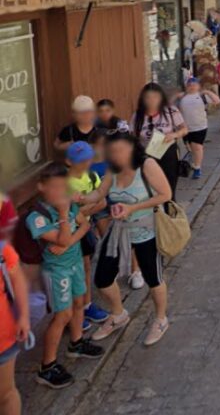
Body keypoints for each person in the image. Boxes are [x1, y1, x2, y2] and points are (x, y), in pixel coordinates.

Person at [86, 133, 171, 346]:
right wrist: (82, 198)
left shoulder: (147, 165)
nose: (117, 155)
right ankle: (118, 314)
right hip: (119, 231)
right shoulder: (111, 169)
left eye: (122, 150)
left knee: (154, 279)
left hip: (146, 231)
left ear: (133, 149)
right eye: (113, 151)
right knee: (103, 279)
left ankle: (161, 319)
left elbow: (165, 194)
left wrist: (132, 207)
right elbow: (100, 193)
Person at [27, 165, 104, 388]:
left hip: (75, 263)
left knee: (79, 301)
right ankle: (47, 366)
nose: (62, 192)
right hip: (56, 271)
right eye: (56, 188)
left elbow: (85, 224)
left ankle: (76, 343)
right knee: (63, 314)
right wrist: (63, 216)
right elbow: (59, 239)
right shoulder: (37, 217)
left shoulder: (70, 206)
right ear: (42, 187)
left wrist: (68, 240)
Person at [64, 142, 110, 326]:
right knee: (72, 273)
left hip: (85, 230)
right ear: (69, 161)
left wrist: (83, 210)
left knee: (86, 267)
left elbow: (103, 202)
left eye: (87, 159)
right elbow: (69, 215)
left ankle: (87, 305)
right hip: (68, 234)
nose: (85, 163)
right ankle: (72, 313)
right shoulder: (64, 183)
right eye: (80, 161)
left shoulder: (90, 175)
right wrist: (88, 208)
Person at [131, 83, 187, 203]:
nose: (152, 101)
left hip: (168, 154)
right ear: (143, 99)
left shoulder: (170, 111)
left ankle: (170, 217)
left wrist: (174, 134)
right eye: (148, 97)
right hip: (147, 156)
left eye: (155, 97)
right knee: (151, 190)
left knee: (169, 190)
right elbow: (133, 136)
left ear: (161, 98)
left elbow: (184, 129)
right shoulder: (138, 115)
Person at [0, 205, 30, 412]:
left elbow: (17, 277)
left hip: (3, 335)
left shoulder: (2, 250)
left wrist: (24, 317)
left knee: (6, 393)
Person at [175, 78, 220, 180]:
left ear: (198, 86)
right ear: (186, 86)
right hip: (185, 128)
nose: (192, 86)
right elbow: (170, 107)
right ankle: (194, 160)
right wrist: (175, 96)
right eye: (189, 84)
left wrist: (208, 92)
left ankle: (197, 168)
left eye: (194, 84)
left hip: (200, 127)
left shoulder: (202, 96)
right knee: (189, 147)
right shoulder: (182, 97)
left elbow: (217, 101)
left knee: (197, 147)